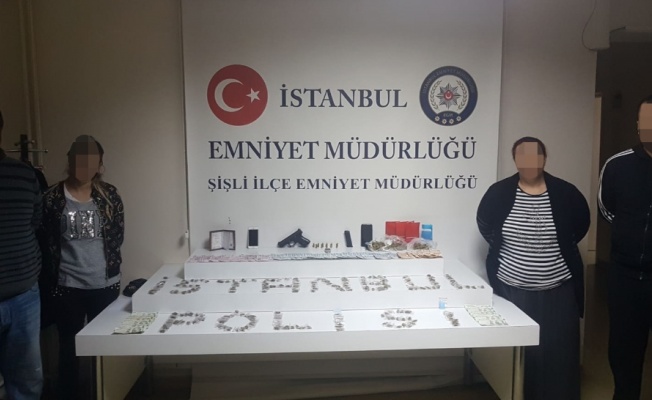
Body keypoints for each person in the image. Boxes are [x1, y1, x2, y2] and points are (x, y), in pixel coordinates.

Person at [476, 137, 590, 400]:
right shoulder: (498, 193)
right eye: (522, 156)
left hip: (558, 289)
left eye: (534, 156)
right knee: (523, 355)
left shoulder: (566, 193)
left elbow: (580, 226)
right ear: (515, 160)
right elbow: (485, 225)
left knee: (559, 353)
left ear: (544, 158)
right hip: (512, 289)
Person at [41, 135, 124, 400]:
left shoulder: (109, 195)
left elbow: (117, 236)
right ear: (70, 160)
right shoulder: (51, 197)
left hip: (104, 283)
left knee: (104, 347)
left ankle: (104, 393)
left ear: (99, 165)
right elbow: (45, 239)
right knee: (69, 348)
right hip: (67, 285)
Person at [598, 95, 652, 400]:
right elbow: (606, 209)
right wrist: (631, 232)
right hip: (625, 277)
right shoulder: (618, 165)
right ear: (638, 124)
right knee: (624, 352)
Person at [0, 109, 44, 399]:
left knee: (27, 383)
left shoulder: (24, 174)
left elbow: (35, 222)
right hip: (24, 293)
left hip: (24, 296)